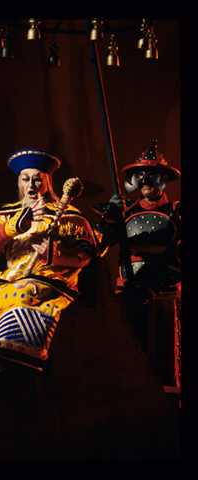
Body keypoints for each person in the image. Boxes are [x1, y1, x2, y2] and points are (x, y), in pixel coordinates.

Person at [0, 149, 98, 373]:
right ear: (19, 182)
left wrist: (54, 254)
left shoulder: (68, 215)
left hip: (50, 276)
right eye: (25, 179)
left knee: (24, 294)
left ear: (47, 181)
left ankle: (9, 354)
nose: (31, 184)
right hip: (12, 275)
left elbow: (85, 253)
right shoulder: (7, 214)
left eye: (37, 179)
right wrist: (16, 225)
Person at [91, 139, 181, 388]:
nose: (145, 182)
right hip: (127, 291)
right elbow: (97, 246)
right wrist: (110, 215)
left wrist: (152, 288)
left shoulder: (177, 212)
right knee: (128, 354)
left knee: (162, 356)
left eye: (151, 175)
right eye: (139, 176)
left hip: (162, 293)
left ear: (162, 178)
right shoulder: (124, 212)